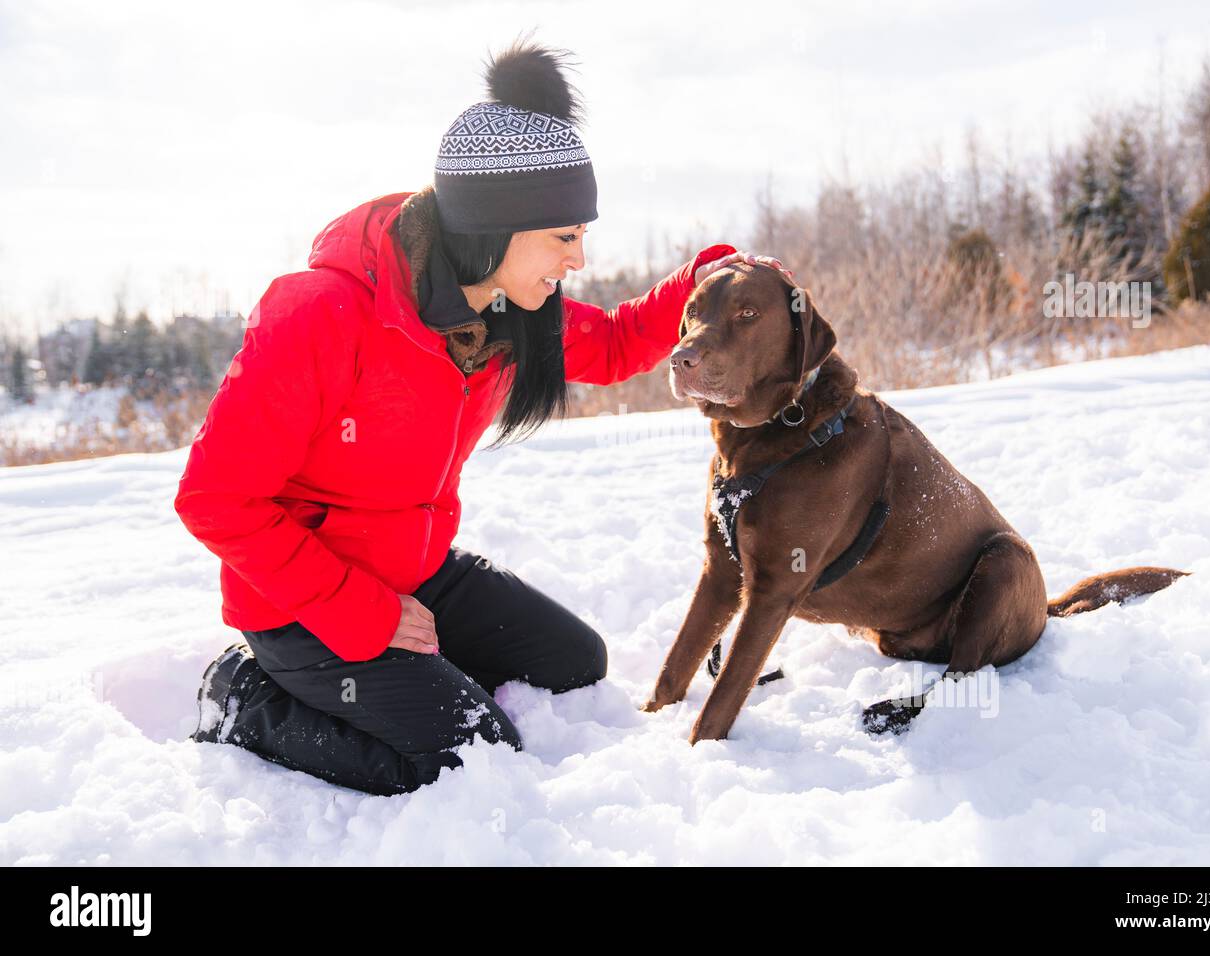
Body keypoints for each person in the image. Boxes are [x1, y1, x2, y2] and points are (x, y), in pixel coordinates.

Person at [175, 38, 791, 796]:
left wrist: (711, 277)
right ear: (497, 224)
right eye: (565, 236)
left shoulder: (505, 313)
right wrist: (360, 610)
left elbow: (619, 343)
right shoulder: (323, 314)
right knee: (474, 756)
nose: (578, 260)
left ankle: (408, 679)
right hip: (301, 607)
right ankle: (246, 699)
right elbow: (214, 499)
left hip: (412, 571)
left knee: (575, 664)